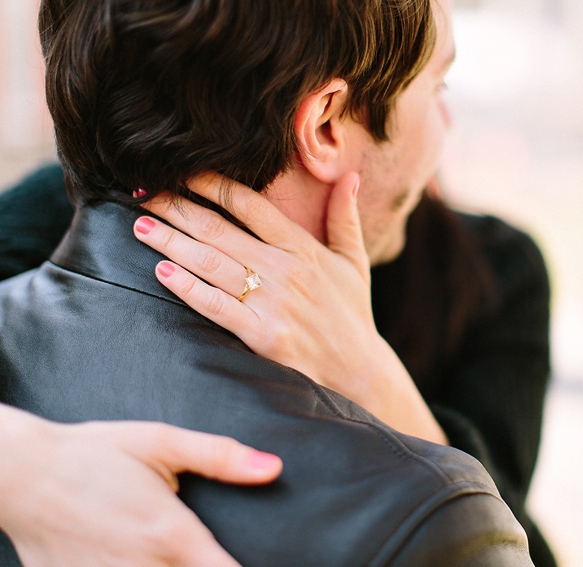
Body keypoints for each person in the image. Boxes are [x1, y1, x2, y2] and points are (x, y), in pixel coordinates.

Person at [0, 0, 554, 566]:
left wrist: (374, 379)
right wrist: (22, 468)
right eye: (439, 87)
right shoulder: (52, 213)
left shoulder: (496, 268)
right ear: (325, 125)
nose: (447, 124)